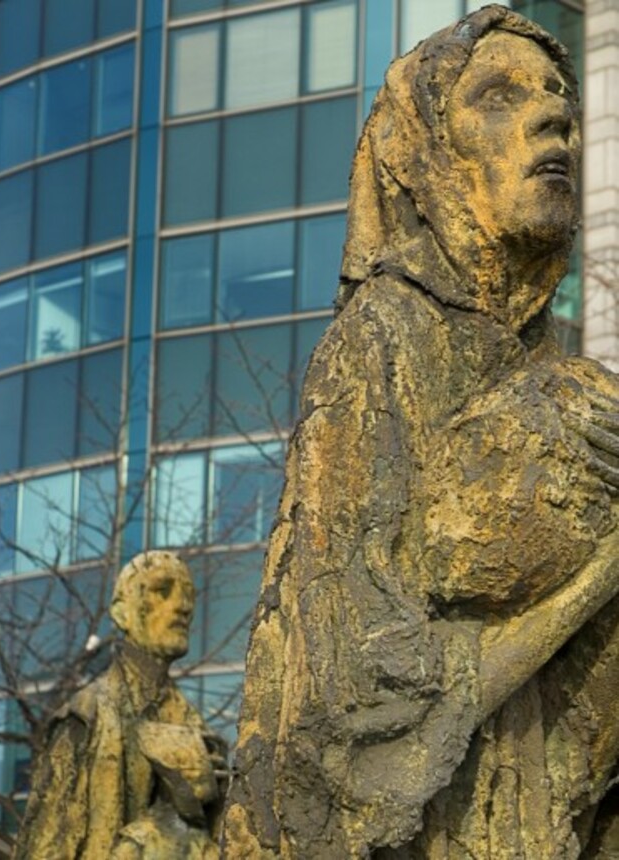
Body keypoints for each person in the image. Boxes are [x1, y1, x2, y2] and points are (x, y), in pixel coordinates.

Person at [221, 6, 619, 859]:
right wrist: (589, 580)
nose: (554, 115)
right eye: (499, 97)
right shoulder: (379, 342)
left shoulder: (566, 374)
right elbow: (352, 678)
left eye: (558, 95)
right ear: (424, 151)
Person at [15, 551, 228, 859]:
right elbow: (45, 847)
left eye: (188, 595)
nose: (183, 606)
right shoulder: (85, 715)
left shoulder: (195, 725)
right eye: (162, 590)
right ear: (121, 612)